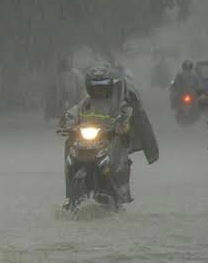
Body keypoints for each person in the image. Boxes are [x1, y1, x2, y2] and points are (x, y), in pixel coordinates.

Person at [60, 64, 159, 205]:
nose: (98, 88)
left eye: (102, 84)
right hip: (84, 144)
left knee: (120, 154)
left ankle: (119, 190)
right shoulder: (85, 104)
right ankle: (71, 195)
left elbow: (126, 116)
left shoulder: (119, 104)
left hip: (108, 143)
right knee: (69, 148)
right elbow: (72, 113)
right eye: (94, 85)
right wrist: (66, 123)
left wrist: (122, 126)